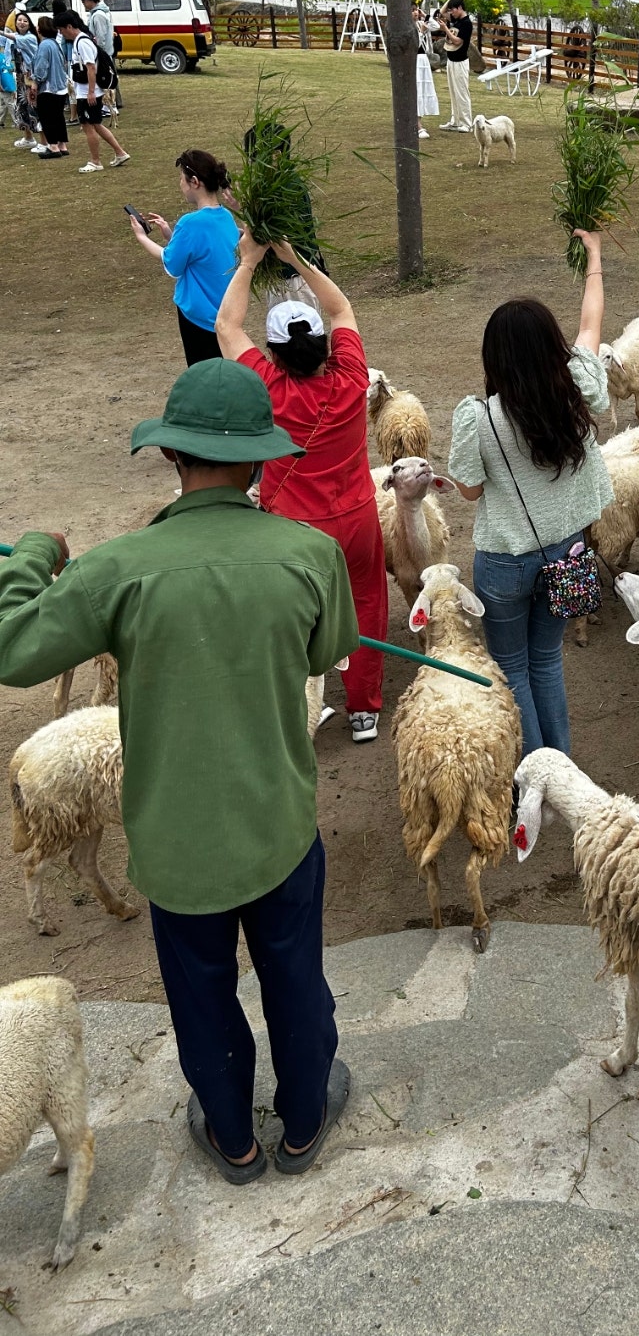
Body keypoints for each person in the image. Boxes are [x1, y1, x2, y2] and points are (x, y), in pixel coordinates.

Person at [0, 359, 359, 1181]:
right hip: (277, 823)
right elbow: (328, 650)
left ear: (170, 453)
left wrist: (35, 553)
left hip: (174, 840)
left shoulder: (115, 569)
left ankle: (233, 1137)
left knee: (201, 992)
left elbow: (11, 646)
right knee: (296, 977)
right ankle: (303, 1122)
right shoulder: (312, 555)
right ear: (261, 459)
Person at [447, 230, 613, 757]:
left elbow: (469, 491)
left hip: (507, 563)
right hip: (569, 552)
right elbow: (591, 324)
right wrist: (594, 256)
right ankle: (559, 770)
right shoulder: (576, 386)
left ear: (493, 357)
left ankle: (533, 775)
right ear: (551, 345)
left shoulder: (479, 417)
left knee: (512, 668)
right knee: (546, 662)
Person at [216, 238, 388, 744]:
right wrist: (295, 258)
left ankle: (299, 705)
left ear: (273, 353)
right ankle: (364, 709)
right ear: (324, 344)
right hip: (357, 516)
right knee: (365, 603)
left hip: (294, 526)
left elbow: (226, 326)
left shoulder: (267, 387)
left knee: (292, 614)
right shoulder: (352, 376)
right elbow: (341, 309)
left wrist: (249, 260)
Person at [129, 150, 241, 364]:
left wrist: (141, 237)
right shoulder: (225, 216)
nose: (181, 185)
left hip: (199, 318)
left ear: (195, 182)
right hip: (225, 314)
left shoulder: (190, 223)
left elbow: (172, 264)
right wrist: (172, 236)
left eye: (182, 179)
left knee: (203, 373)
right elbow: (204, 252)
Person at [55, 9, 128, 174]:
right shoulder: (80, 41)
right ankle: (120, 152)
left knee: (88, 126)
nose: (61, 33)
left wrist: (90, 92)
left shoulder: (82, 42)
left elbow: (91, 67)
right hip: (86, 91)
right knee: (96, 124)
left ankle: (95, 161)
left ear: (69, 27)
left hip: (88, 93)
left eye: (61, 29)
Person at [30, 15, 70, 161]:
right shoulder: (55, 44)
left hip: (49, 88)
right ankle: (62, 144)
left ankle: (53, 146)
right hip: (60, 87)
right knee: (58, 117)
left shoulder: (44, 45)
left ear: (40, 29)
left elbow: (41, 67)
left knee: (47, 117)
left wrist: (35, 82)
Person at [80, 0, 121, 115]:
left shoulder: (98, 15)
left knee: (105, 79)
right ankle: (108, 105)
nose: (83, 4)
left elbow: (100, 36)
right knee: (106, 78)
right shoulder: (98, 13)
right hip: (103, 52)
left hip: (103, 52)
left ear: (90, 0)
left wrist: (99, 52)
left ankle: (110, 106)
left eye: (84, 1)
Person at [439, 0, 474, 132]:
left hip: (461, 62)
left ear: (460, 8)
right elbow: (442, 12)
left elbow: (458, 41)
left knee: (462, 92)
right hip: (451, 60)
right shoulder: (456, 20)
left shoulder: (466, 23)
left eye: (453, 9)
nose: (451, 12)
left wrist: (446, 30)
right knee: (453, 92)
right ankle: (455, 121)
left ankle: (466, 123)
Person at [9, 9, 42, 150]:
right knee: (21, 107)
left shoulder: (30, 38)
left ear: (29, 24)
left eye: (25, 21)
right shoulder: (14, 36)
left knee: (33, 107)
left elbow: (14, 39)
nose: (21, 23)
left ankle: (44, 141)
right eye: (19, 20)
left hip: (30, 77)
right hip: (20, 78)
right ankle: (28, 138)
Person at [413, 2, 440, 138]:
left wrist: (426, 16)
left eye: (416, 10)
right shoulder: (409, 27)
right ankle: (417, 125)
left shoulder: (419, 23)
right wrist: (421, 32)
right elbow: (414, 45)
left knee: (423, 91)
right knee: (417, 91)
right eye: (412, 10)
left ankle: (418, 122)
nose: (415, 13)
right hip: (415, 60)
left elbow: (436, 26)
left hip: (423, 60)